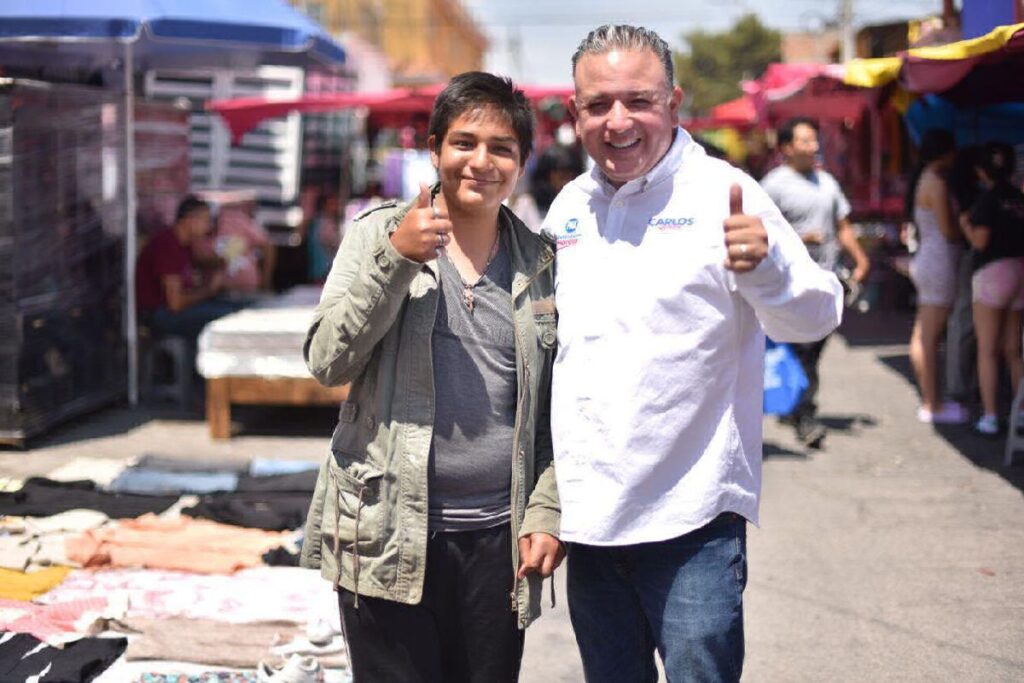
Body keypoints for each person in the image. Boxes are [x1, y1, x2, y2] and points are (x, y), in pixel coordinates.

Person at [541, 25, 843, 683]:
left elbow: (819, 312)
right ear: (575, 113)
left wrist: (765, 271)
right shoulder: (568, 208)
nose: (617, 121)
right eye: (598, 105)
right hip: (591, 525)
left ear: (674, 103)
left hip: (693, 526)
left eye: (638, 100)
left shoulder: (723, 194)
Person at [299, 72, 563, 682]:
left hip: (497, 544)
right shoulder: (378, 234)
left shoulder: (542, 265)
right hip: (385, 526)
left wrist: (545, 511)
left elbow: (555, 411)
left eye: (501, 148)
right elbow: (326, 362)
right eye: (464, 143)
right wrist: (396, 259)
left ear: (522, 160)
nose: (481, 161)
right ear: (436, 146)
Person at [760, 117, 871, 446]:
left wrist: (861, 259)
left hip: (826, 277)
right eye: (805, 141)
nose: (814, 146)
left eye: (814, 140)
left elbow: (843, 225)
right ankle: (805, 417)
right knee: (800, 350)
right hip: (788, 279)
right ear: (787, 147)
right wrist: (799, 236)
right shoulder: (772, 185)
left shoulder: (827, 182)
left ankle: (795, 405)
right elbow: (759, 232)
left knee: (813, 349)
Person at [904, 129, 968, 423]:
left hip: (930, 260)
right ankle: (933, 403)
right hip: (939, 260)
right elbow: (948, 229)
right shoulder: (936, 182)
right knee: (929, 337)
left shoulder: (924, 179)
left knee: (924, 334)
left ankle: (931, 400)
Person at [962, 141, 1024, 435]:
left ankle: (990, 415)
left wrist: (964, 224)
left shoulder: (987, 200)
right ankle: (1020, 411)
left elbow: (980, 241)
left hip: (992, 273)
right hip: (1019, 271)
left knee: (987, 349)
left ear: (980, 170)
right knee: (1014, 349)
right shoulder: (1018, 197)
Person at [135, 195, 243, 343]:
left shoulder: (183, 244)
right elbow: (175, 303)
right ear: (190, 219)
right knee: (230, 316)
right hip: (160, 314)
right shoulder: (167, 245)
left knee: (240, 305)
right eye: (206, 220)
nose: (209, 227)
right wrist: (209, 290)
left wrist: (222, 261)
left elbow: (198, 263)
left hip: (172, 309)